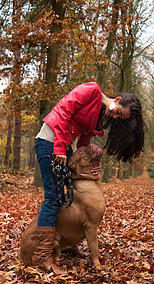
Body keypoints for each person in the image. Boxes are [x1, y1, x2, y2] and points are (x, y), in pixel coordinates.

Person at [33, 81, 145, 274]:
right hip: (48, 141)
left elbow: (83, 143)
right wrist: (59, 147)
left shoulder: (100, 117)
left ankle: (69, 245)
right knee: (52, 197)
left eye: (120, 118)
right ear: (117, 100)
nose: (116, 117)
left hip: (63, 146)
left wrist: (92, 164)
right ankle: (42, 255)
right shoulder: (91, 90)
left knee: (65, 197)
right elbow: (63, 112)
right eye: (118, 112)